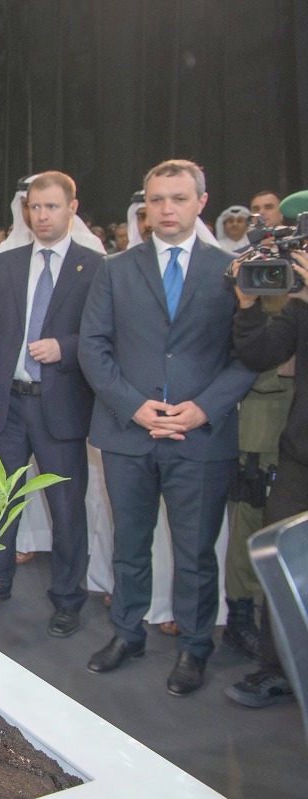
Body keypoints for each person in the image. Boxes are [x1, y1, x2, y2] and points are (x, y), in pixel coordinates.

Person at [79, 159, 256, 697]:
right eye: (157, 200)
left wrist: (204, 408)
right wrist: (133, 406)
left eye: (178, 198)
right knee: (130, 545)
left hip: (200, 435)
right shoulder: (116, 268)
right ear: (145, 206)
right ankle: (128, 634)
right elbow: (93, 347)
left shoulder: (232, 270)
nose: (166, 209)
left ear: (201, 202)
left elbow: (246, 354)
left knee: (197, 551)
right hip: (129, 434)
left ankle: (195, 647)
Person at [0, 171, 104, 636]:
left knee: (66, 508)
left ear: (72, 208)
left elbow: (107, 336)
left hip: (61, 406)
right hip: (8, 406)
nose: (42, 216)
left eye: (51, 207)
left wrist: (65, 347)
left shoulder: (95, 265)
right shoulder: (5, 264)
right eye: (35, 207)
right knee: (0, 504)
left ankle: (67, 597)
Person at [226, 235, 308, 708]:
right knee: (283, 564)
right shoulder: (301, 308)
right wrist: (248, 306)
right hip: (299, 454)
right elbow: (259, 351)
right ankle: (277, 669)